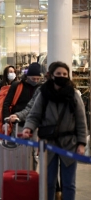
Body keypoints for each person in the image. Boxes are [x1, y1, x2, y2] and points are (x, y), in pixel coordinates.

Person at [21, 61, 87, 200]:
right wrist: (28, 128)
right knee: (48, 182)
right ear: (51, 75)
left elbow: (81, 121)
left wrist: (81, 143)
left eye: (64, 74)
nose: (62, 76)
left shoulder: (74, 95)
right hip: (48, 144)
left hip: (69, 143)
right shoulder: (43, 94)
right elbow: (34, 115)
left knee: (69, 183)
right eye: (58, 74)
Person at [2, 62, 42, 135]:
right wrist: (6, 122)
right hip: (18, 124)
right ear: (27, 76)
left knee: (34, 146)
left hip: (35, 126)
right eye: (33, 78)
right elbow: (6, 104)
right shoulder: (17, 85)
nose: (35, 81)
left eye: (38, 79)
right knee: (17, 145)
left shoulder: (40, 88)